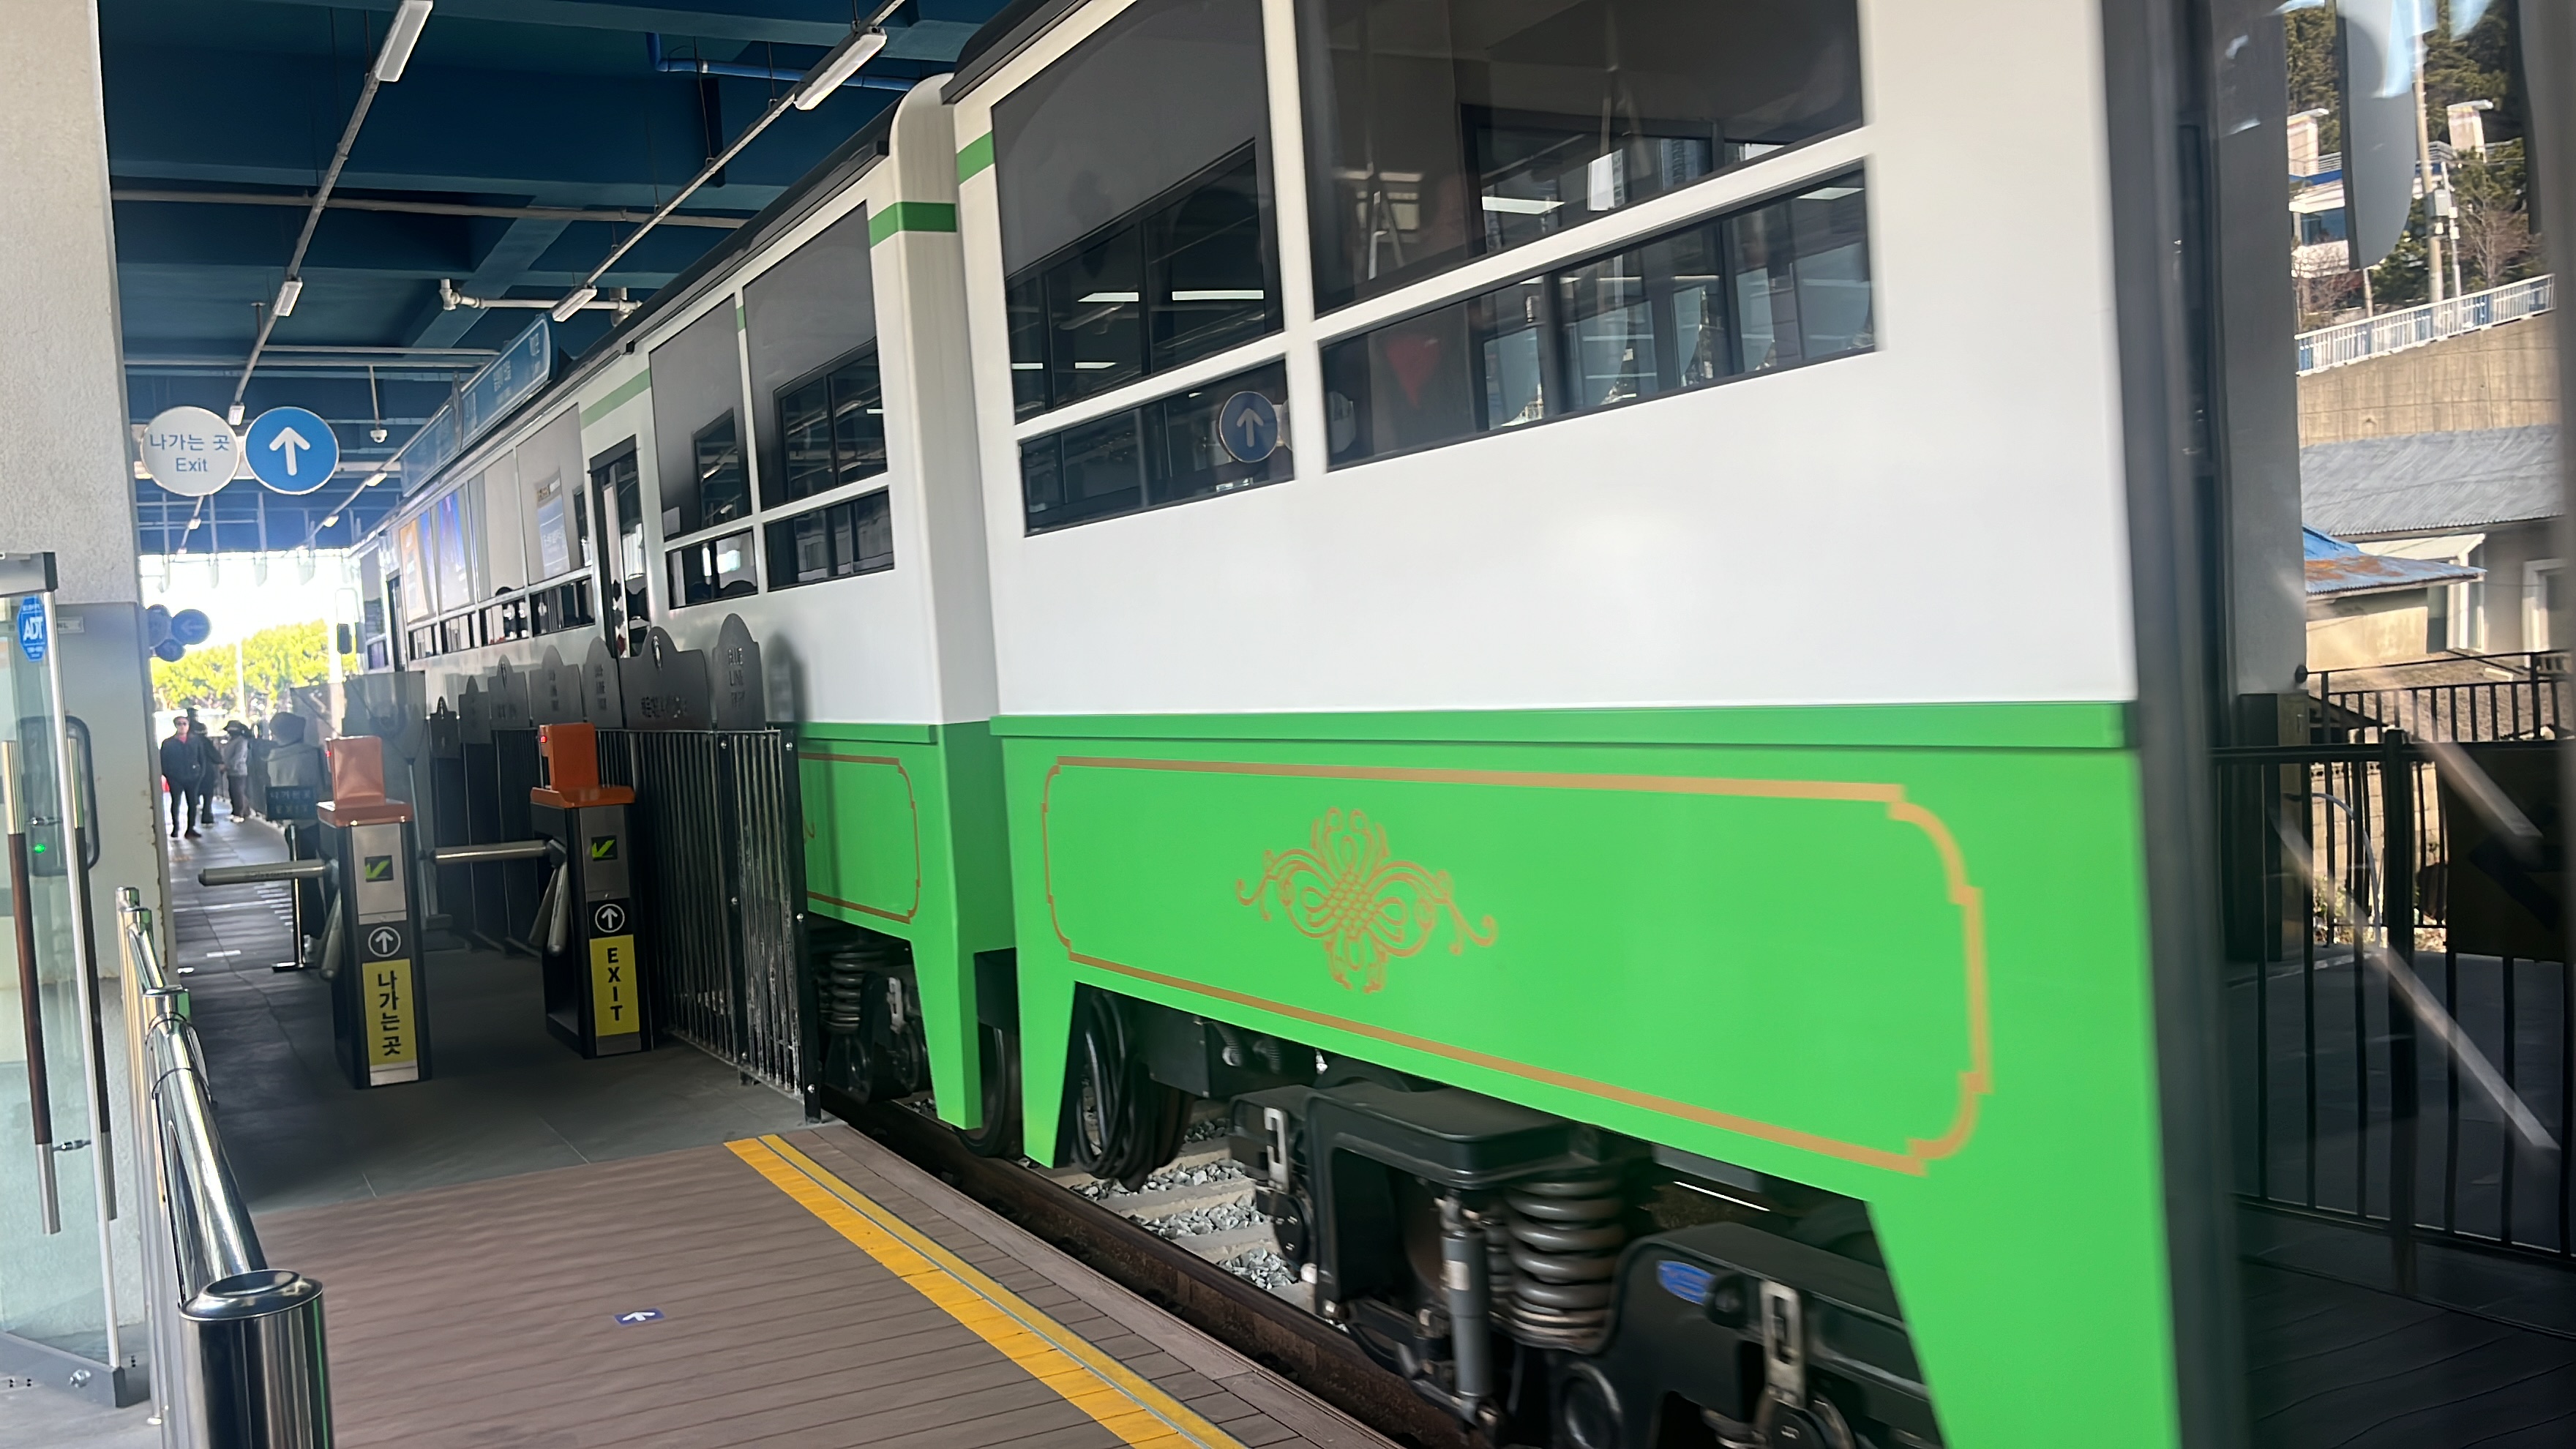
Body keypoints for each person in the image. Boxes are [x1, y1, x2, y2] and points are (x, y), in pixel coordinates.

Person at [158, 718, 202, 839]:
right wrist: (168, 775)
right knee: (175, 802)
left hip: (192, 777)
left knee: (192, 803)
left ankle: (190, 828)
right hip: (175, 777)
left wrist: (200, 774)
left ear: (188, 726)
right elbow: (163, 760)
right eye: (179, 724)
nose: (182, 726)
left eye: (184, 724)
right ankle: (176, 827)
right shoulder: (168, 743)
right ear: (175, 726)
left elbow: (201, 757)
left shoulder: (195, 741)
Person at [184, 708, 221, 827]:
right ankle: (207, 817)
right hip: (207, 771)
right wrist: (220, 762)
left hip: (191, 771)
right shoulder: (205, 741)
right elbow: (215, 755)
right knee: (208, 796)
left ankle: (191, 822)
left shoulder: (185, 739)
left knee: (192, 795)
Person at [221, 720, 254, 821]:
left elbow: (239, 757)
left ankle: (240, 814)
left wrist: (228, 766)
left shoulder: (242, 741)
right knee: (233, 792)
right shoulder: (232, 741)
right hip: (232, 771)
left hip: (239, 771)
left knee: (238, 792)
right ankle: (239, 811)